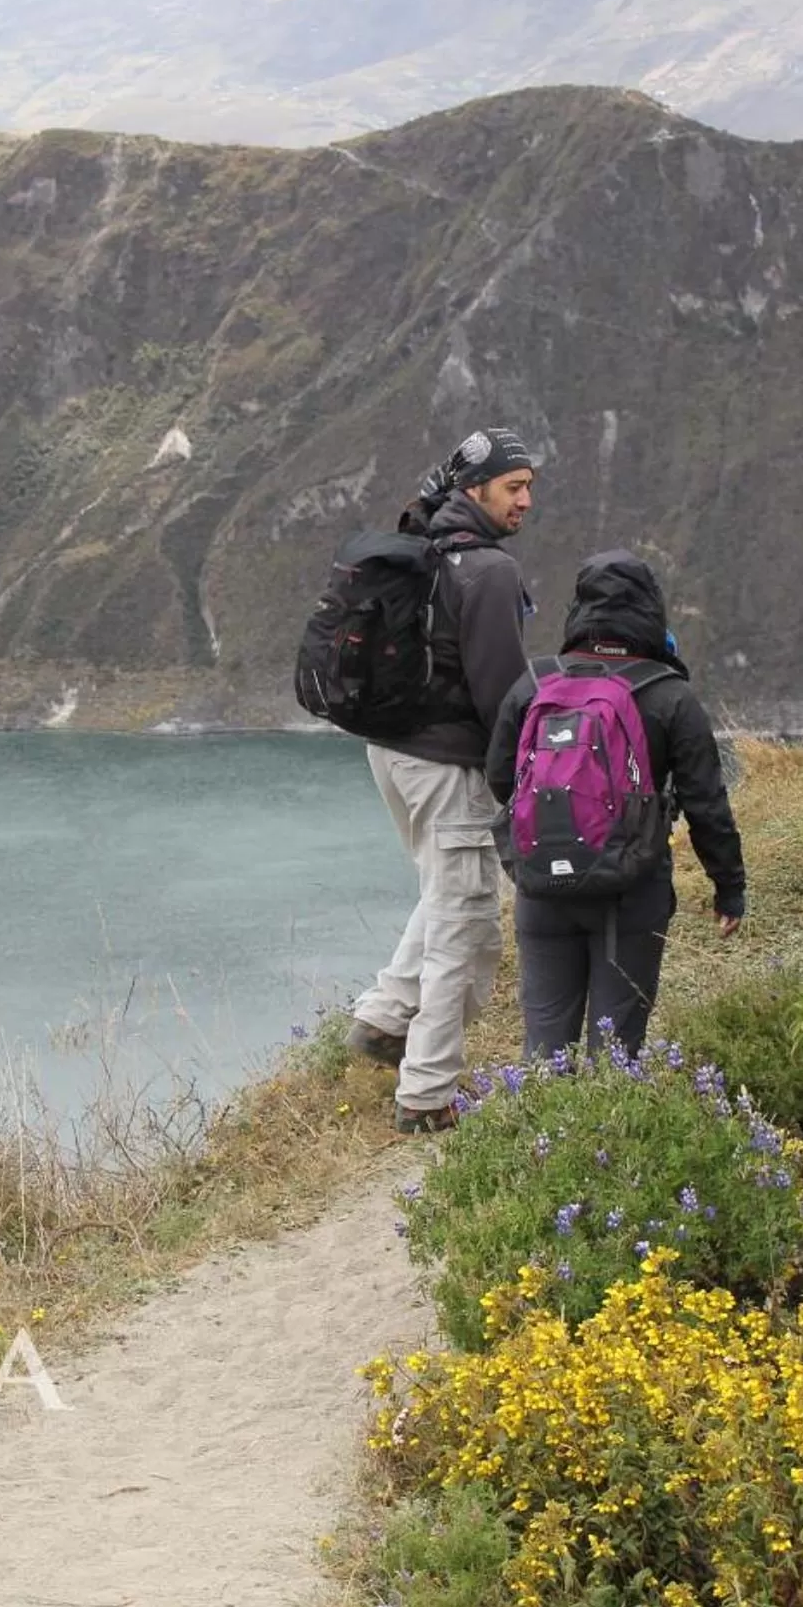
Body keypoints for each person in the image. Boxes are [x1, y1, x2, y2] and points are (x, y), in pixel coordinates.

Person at [347, 429, 540, 1134]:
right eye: (512, 487)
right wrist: (526, 775)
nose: (524, 501)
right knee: (469, 921)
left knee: (444, 885)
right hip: (446, 763)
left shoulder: (426, 551)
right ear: (474, 489)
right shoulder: (486, 570)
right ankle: (427, 1096)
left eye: (528, 487)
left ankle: (386, 1016)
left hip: (390, 753)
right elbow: (503, 692)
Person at [485, 550, 745, 1063]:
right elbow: (706, 805)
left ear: (578, 608)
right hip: (630, 892)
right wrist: (729, 889)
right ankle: (605, 1141)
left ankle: (537, 1140)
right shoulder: (670, 694)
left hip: (541, 887)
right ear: (652, 611)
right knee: (617, 1054)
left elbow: (500, 781)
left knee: (544, 1048)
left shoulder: (535, 684)